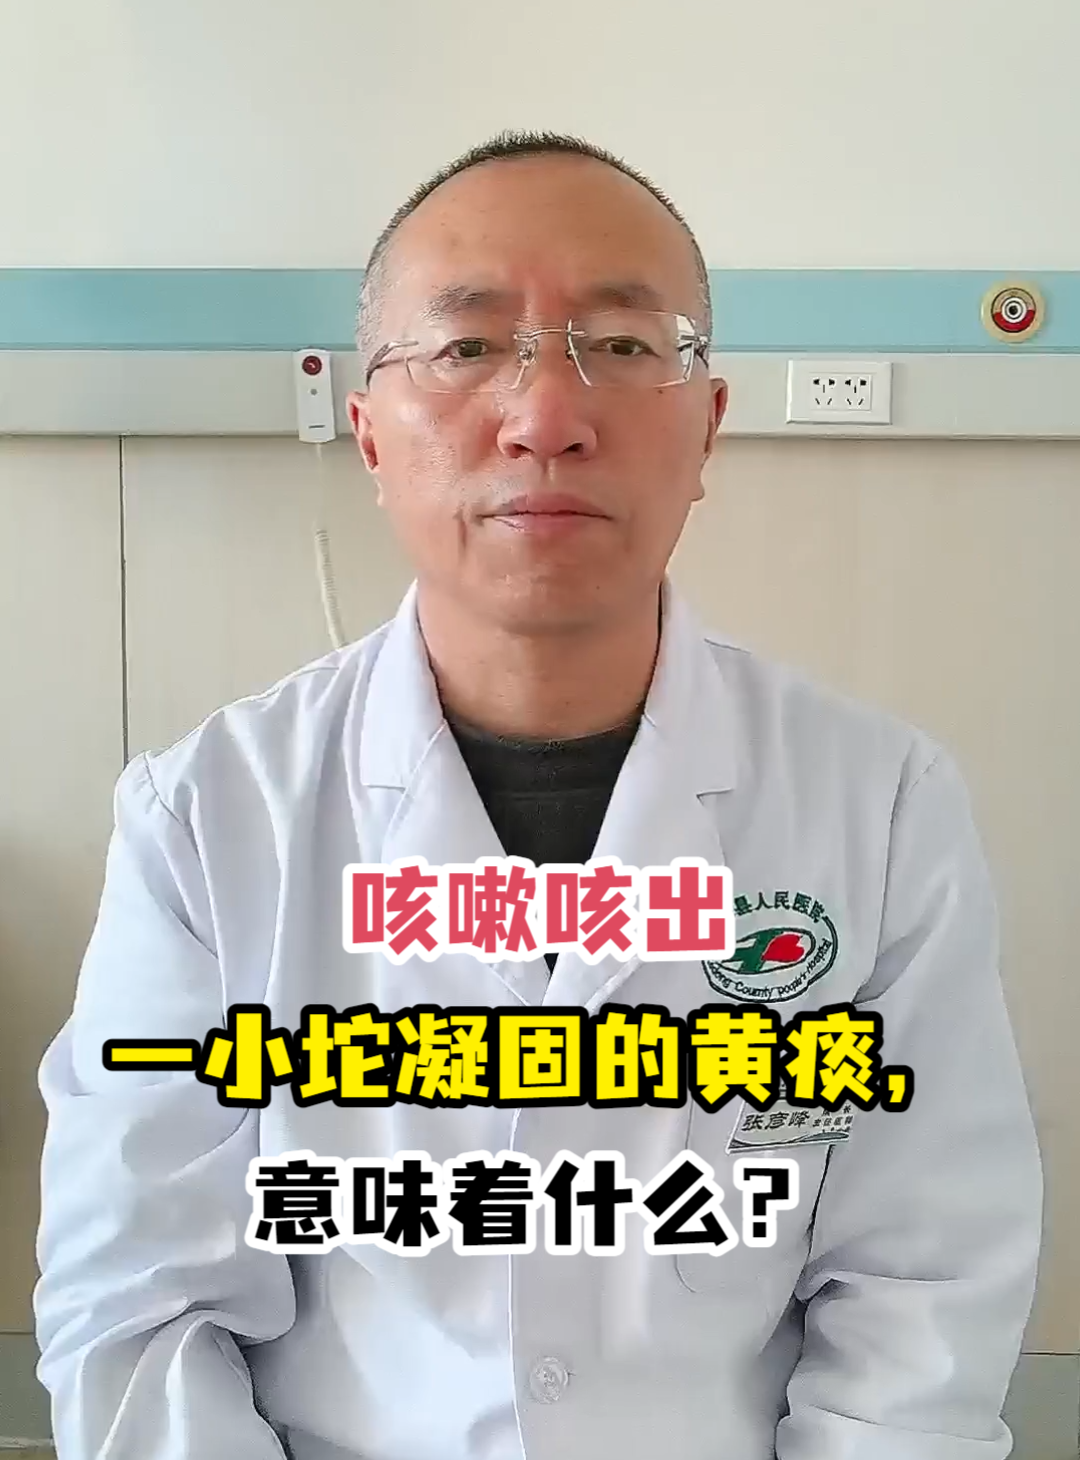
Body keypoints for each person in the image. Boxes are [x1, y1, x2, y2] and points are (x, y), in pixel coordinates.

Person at [34, 131, 1042, 1460]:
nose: (545, 415)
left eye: (621, 345)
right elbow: (139, 1312)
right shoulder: (208, 822)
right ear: (370, 435)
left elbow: (923, 1291)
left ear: (706, 427)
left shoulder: (881, 806)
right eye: (466, 346)